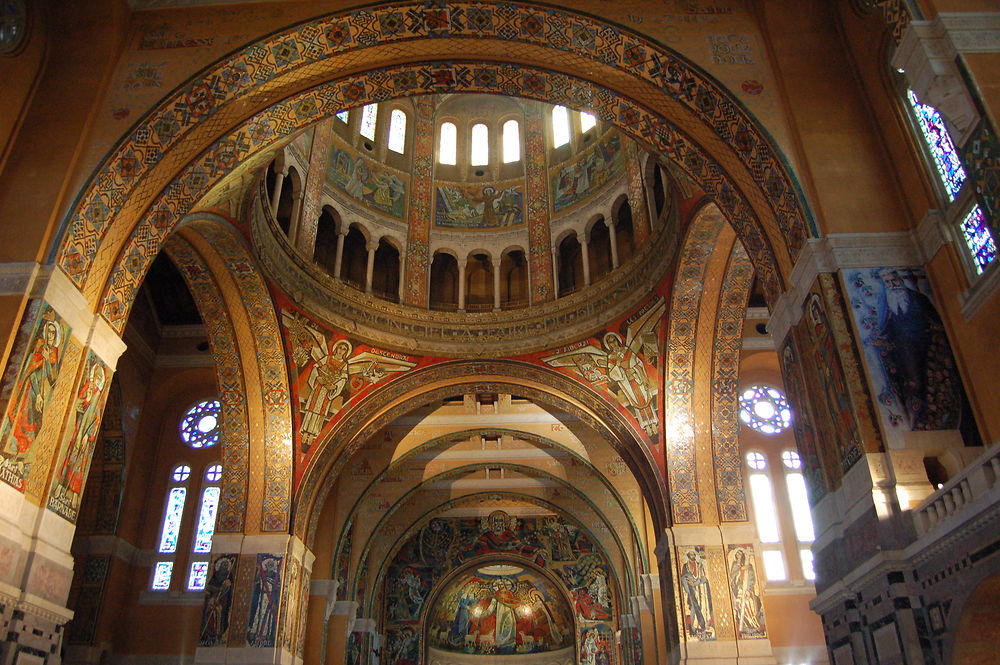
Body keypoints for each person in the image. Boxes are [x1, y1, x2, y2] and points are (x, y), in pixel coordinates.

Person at [729, 549, 763, 635]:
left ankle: (753, 625)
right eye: (737, 555)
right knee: (740, 605)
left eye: (740, 555)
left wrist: (748, 589)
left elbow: (752, 579)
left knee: (750, 605)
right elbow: (732, 578)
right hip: (739, 590)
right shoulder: (735, 566)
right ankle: (745, 623)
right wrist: (739, 570)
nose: (739, 556)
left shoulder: (749, 565)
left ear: (743, 556)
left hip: (748, 590)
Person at [680, 549, 713, 637]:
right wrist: (688, 585)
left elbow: (704, 577)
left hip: (701, 589)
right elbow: (683, 578)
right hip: (691, 591)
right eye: (691, 555)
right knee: (694, 607)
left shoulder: (700, 566)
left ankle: (704, 624)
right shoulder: (685, 566)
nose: (693, 556)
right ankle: (694, 625)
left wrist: (696, 582)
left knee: (703, 606)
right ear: (688, 556)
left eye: (694, 555)